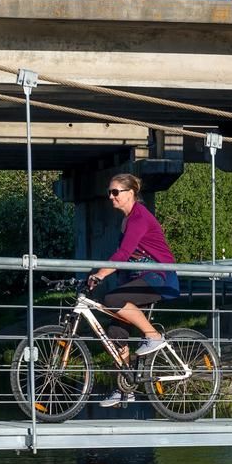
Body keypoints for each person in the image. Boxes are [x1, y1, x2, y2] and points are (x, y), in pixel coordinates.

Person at [85, 173, 180, 407]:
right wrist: (102, 276)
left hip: (158, 277)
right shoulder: (127, 220)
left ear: (130, 194)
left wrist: (100, 273)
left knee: (113, 299)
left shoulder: (139, 218)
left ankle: (153, 337)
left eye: (115, 192)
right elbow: (127, 262)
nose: (110, 196)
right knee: (116, 332)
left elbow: (123, 255)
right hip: (141, 278)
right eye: (109, 192)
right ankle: (125, 389)